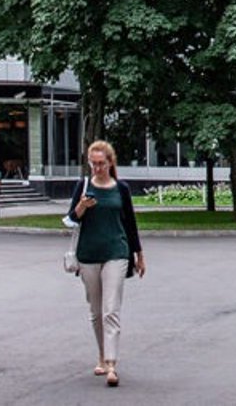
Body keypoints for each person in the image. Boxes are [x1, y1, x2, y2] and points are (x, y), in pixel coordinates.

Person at [65, 140, 145, 388]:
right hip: (88, 254)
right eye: (94, 164)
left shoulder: (121, 189)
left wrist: (139, 254)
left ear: (110, 162)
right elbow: (70, 219)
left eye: (101, 163)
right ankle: (101, 354)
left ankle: (111, 363)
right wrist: (81, 206)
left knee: (111, 309)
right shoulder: (83, 186)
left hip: (116, 252)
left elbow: (130, 223)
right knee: (96, 310)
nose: (97, 168)